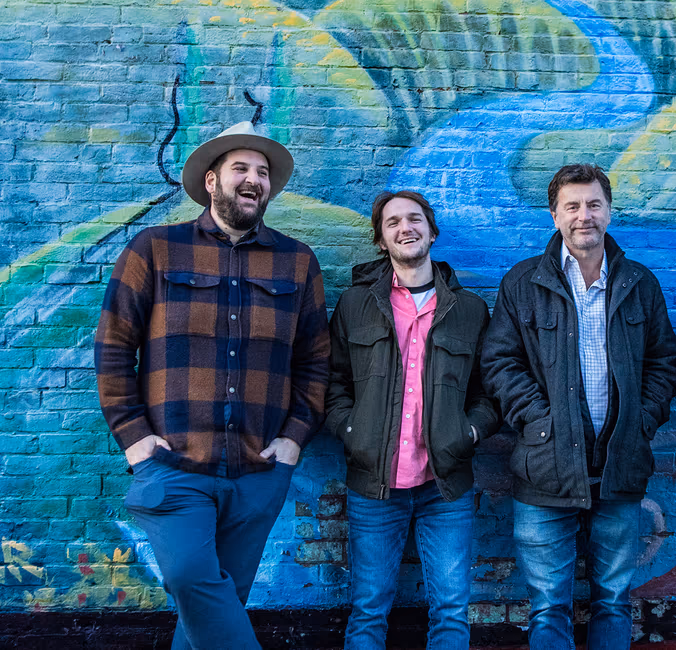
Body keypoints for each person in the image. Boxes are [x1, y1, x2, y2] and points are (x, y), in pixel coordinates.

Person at [95, 121, 330, 649]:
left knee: (207, 613)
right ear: (211, 181)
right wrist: (135, 440)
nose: (254, 180)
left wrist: (293, 440)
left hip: (259, 470)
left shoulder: (298, 261)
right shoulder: (154, 249)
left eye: (263, 172)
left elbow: (316, 362)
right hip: (174, 465)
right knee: (188, 579)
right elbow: (113, 349)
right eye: (241, 169)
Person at [482, 163, 676, 648]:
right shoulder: (523, 282)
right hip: (544, 471)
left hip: (620, 469)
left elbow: (664, 363)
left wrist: (640, 421)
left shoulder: (639, 282)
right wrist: (540, 422)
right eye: (572, 206)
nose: (584, 215)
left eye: (593, 204)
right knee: (549, 607)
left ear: (609, 211)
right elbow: (499, 363)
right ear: (554, 215)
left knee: (613, 601)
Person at [325, 190, 500, 649]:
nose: (407, 228)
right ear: (381, 240)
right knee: (368, 610)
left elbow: (490, 390)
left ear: (432, 230)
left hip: (446, 486)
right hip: (373, 485)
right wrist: (352, 430)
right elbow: (332, 382)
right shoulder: (355, 305)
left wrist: (471, 431)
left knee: (450, 612)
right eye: (393, 222)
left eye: (415, 219)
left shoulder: (470, 310)